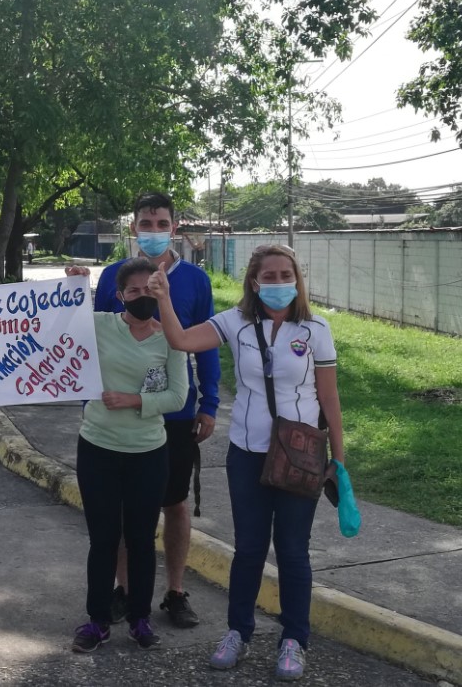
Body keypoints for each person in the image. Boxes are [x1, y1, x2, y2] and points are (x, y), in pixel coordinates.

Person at [149, 243, 346, 681]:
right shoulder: (234, 322)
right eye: (269, 276)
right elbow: (181, 340)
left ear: (298, 278)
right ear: (254, 282)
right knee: (249, 550)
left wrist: (340, 460)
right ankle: (238, 632)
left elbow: (329, 398)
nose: (278, 283)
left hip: (301, 456)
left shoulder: (315, 329)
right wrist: (163, 298)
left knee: (293, 552)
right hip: (246, 453)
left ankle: (294, 640)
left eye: (285, 274)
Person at [93, 191, 220, 628]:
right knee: (130, 513)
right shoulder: (114, 276)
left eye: (160, 223)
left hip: (177, 414)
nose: (152, 231)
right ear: (133, 228)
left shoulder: (196, 281)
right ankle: (126, 591)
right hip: (123, 418)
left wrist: (210, 403)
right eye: (144, 224)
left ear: (174, 227)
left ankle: (175, 591)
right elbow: (91, 341)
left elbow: (206, 347)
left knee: (175, 502)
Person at [66, 259, 188, 653]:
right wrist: (73, 286)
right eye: (133, 291)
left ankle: (140, 618)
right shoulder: (100, 325)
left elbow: (177, 396)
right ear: (120, 296)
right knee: (103, 539)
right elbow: (60, 321)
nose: (141, 297)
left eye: (148, 289)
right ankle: (98, 620)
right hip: (98, 448)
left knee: (140, 539)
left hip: (148, 454)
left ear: (160, 291)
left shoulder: (171, 337)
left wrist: (134, 400)